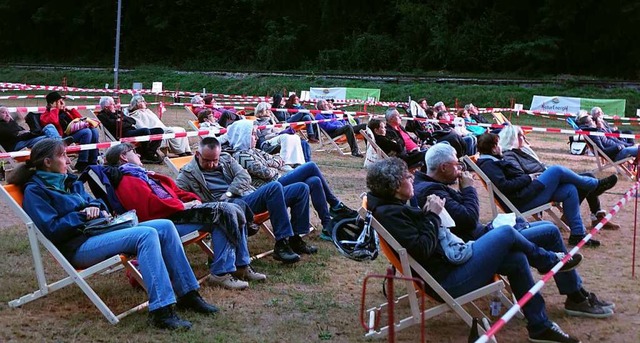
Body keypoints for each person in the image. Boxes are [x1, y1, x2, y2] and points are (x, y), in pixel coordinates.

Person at [366, 158, 584, 343]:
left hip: (450, 265)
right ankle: (546, 260)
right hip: (447, 281)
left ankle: (540, 325)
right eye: (407, 177)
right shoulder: (390, 213)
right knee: (505, 233)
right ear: (395, 186)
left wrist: (429, 214)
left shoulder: (393, 206)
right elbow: (422, 249)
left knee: (516, 258)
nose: (412, 178)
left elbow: (420, 239)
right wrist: (432, 215)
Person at [8, 139, 217, 330]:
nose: (68, 160)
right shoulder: (35, 191)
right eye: (63, 155)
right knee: (146, 234)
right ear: (47, 162)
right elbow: (51, 228)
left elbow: (94, 203)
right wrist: (82, 216)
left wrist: (94, 209)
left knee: (165, 226)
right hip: (79, 246)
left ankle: (189, 293)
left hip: (100, 230)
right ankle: (162, 310)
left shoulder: (69, 182)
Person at [414, 143, 615, 318]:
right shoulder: (432, 191)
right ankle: (575, 296)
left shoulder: (431, 184)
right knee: (550, 231)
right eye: (456, 164)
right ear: (443, 167)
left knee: (553, 218)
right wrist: (468, 188)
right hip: (477, 245)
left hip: (482, 236)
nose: (459, 169)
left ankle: (573, 294)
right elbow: (468, 219)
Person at [175, 137, 317, 264]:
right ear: (198, 154)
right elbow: (177, 194)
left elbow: (244, 176)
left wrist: (230, 192)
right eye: (207, 161)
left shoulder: (226, 159)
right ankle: (281, 243)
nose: (212, 164)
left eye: (215, 160)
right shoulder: (187, 174)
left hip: (245, 196)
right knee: (274, 187)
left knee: (301, 188)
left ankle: (296, 239)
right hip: (228, 206)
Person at [475, 133, 618, 246]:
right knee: (556, 170)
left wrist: (531, 177)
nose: (501, 147)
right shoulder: (489, 165)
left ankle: (577, 234)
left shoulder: (493, 161)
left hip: (526, 193)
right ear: (493, 148)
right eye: (498, 144)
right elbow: (506, 186)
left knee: (569, 189)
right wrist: (529, 178)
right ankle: (594, 185)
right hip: (521, 200)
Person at [226, 120, 357, 241]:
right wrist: (273, 167)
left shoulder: (254, 151)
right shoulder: (240, 155)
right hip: (268, 189)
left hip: (276, 181)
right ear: (242, 135)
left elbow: (279, 160)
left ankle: (327, 225)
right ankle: (335, 204)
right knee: (310, 166)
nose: (256, 137)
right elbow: (265, 172)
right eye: (253, 134)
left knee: (314, 180)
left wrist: (272, 164)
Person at [499, 125, 621, 230]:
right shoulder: (509, 155)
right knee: (571, 177)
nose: (524, 138)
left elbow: (535, 167)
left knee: (584, 178)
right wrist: (544, 174)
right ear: (513, 137)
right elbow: (520, 176)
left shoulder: (520, 152)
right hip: (537, 188)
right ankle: (594, 190)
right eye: (521, 135)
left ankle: (595, 214)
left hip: (542, 183)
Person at [40, 91, 100, 171]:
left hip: (72, 133)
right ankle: (82, 162)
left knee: (93, 130)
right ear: (51, 104)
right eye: (59, 102)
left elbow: (80, 119)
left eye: (62, 101)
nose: (62, 103)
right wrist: (54, 109)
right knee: (87, 132)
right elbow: (54, 122)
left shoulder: (65, 112)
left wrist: (72, 111)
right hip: (62, 138)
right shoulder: (45, 115)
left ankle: (92, 161)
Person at [97, 96, 163, 163]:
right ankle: (146, 154)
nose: (114, 105)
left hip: (131, 130)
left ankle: (150, 153)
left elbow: (132, 120)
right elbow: (115, 125)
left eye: (114, 103)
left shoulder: (118, 112)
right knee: (145, 131)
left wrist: (121, 120)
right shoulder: (102, 116)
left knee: (159, 131)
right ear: (106, 107)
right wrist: (123, 121)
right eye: (112, 104)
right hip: (122, 134)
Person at [127, 95, 192, 156]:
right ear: (137, 104)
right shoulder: (135, 114)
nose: (145, 103)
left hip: (161, 127)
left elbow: (156, 121)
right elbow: (141, 126)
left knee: (181, 129)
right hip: (153, 129)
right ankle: (180, 151)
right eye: (142, 101)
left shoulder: (147, 111)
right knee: (171, 131)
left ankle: (187, 150)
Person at [0, 105, 69, 151]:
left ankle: (60, 143)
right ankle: (61, 144)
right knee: (48, 138)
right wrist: (31, 134)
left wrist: (29, 133)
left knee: (49, 127)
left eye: (8, 112)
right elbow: (16, 136)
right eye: (3, 112)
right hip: (16, 145)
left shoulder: (10, 122)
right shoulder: (2, 126)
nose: (7, 114)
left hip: (22, 140)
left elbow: (21, 132)